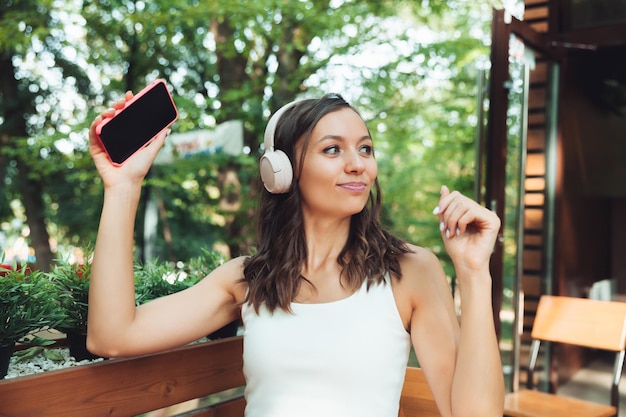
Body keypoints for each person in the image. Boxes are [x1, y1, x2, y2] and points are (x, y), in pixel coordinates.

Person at [87, 91, 504, 417]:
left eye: (365, 148)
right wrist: (123, 188)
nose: (358, 164)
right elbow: (113, 336)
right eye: (333, 149)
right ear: (281, 171)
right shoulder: (247, 279)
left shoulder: (411, 271)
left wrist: (474, 273)